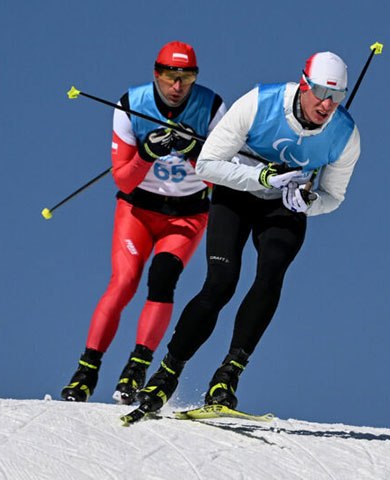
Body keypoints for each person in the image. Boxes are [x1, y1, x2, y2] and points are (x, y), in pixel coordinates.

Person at [135, 51, 361, 413]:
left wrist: (308, 201)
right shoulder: (260, 102)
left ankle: (227, 375)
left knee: (271, 273)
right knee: (221, 283)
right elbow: (208, 163)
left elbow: (333, 197)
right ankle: (166, 373)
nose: (326, 103)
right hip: (236, 192)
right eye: (320, 91)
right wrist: (263, 176)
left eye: (337, 96)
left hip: (284, 206)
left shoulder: (345, 135)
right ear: (303, 85)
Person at [61, 41, 228, 404]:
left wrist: (195, 151)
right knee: (123, 283)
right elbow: (123, 180)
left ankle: (137, 367)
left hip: (186, 212)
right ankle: (87, 369)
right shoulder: (130, 105)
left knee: (163, 278)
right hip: (138, 208)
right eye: (170, 76)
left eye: (187, 76)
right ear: (156, 74)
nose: (177, 86)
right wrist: (146, 153)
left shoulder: (213, 108)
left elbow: (223, 179)